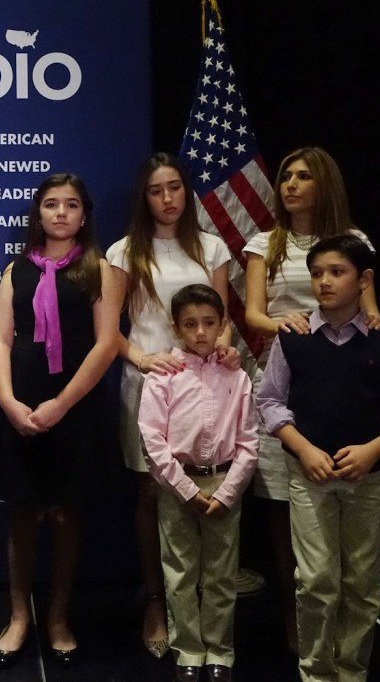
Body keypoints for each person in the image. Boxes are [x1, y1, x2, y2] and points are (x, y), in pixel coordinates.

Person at [255, 234, 380, 682]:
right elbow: (270, 401)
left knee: (362, 584)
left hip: (368, 482)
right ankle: (315, 672)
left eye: (337, 272)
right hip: (308, 476)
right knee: (315, 581)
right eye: (317, 274)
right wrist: (303, 447)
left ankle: (352, 671)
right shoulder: (293, 338)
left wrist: (374, 450)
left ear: (363, 279)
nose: (325, 282)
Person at [242, 146, 380, 653]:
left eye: (303, 176)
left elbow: (370, 313)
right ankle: (296, 617)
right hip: (283, 383)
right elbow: (254, 314)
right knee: (286, 508)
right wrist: (288, 324)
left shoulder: (354, 242)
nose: (291, 184)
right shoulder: (265, 242)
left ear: (324, 183)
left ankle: (345, 633)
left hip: (343, 386)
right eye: (285, 176)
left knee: (345, 502)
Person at [105, 152, 243, 659]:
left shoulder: (210, 246)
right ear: (145, 198)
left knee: (210, 486)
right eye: (156, 190)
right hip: (149, 383)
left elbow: (223, 318)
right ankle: (157, 601)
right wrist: (142, 358)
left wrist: (225, 343)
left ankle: (205, 611)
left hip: (206, 386)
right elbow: (111, 329)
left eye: (175, 188)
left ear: (187, 194)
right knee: (151, 493)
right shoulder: (125, 251)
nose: (167, 199)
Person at [0, 173, 119, 669]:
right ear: (38, 214)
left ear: (84, 215)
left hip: (75, 404)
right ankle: (19, 616)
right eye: (50, 204)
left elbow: (106, 344)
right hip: (22, 400)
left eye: (70, 205)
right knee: (23, 511)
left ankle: (59, 617)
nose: (60, 213)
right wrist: (7, 399)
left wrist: (62, 404)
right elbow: (2, 339)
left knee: (66, 513)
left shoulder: (99, 269)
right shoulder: (15, 270)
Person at [138, 284, 258, 682]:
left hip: (224, 482)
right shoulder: (164, 376)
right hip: (177, 486)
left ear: (223, 324)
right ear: (175, 328)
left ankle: (220, 650)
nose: (201, 332)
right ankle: (188, 647)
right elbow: (152, 439)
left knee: (222, 574)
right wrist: (186, 491)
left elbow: (248, 441)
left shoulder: (236, 376)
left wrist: (226, 493)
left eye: (209, 323)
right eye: (190, 324)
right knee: (180, 571)